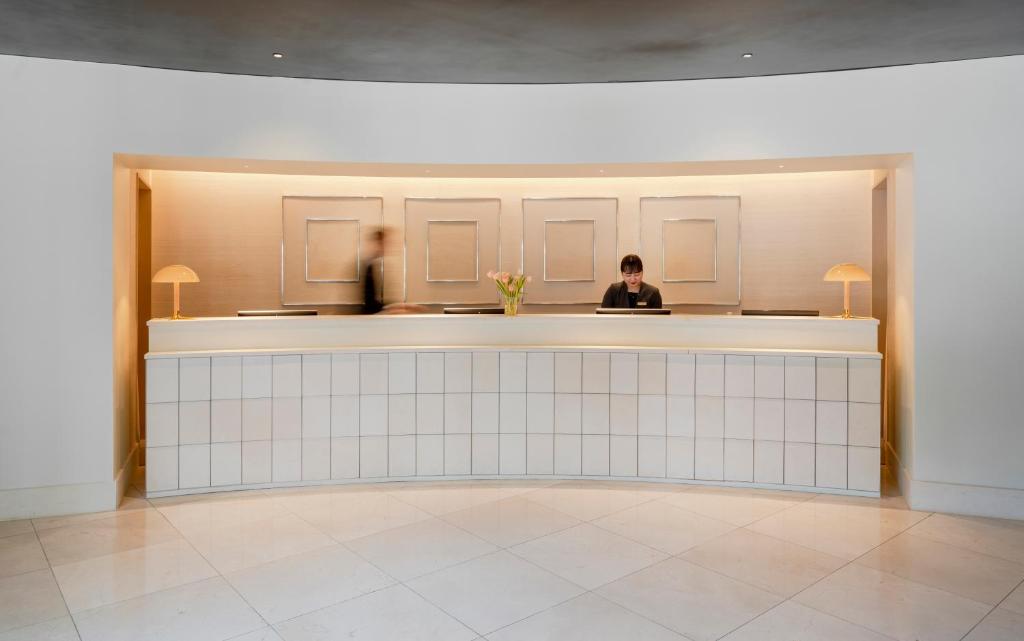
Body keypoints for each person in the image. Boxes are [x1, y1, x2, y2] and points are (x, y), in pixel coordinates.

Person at [362, 228, 423, 314]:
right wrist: (394, 308)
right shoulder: (370, 266)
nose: (386, 246)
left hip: (376, 315)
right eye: (384, 243)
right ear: (378, 243)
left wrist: (398, 307)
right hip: (373, 318)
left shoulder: (375, 264)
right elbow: (370, 303)